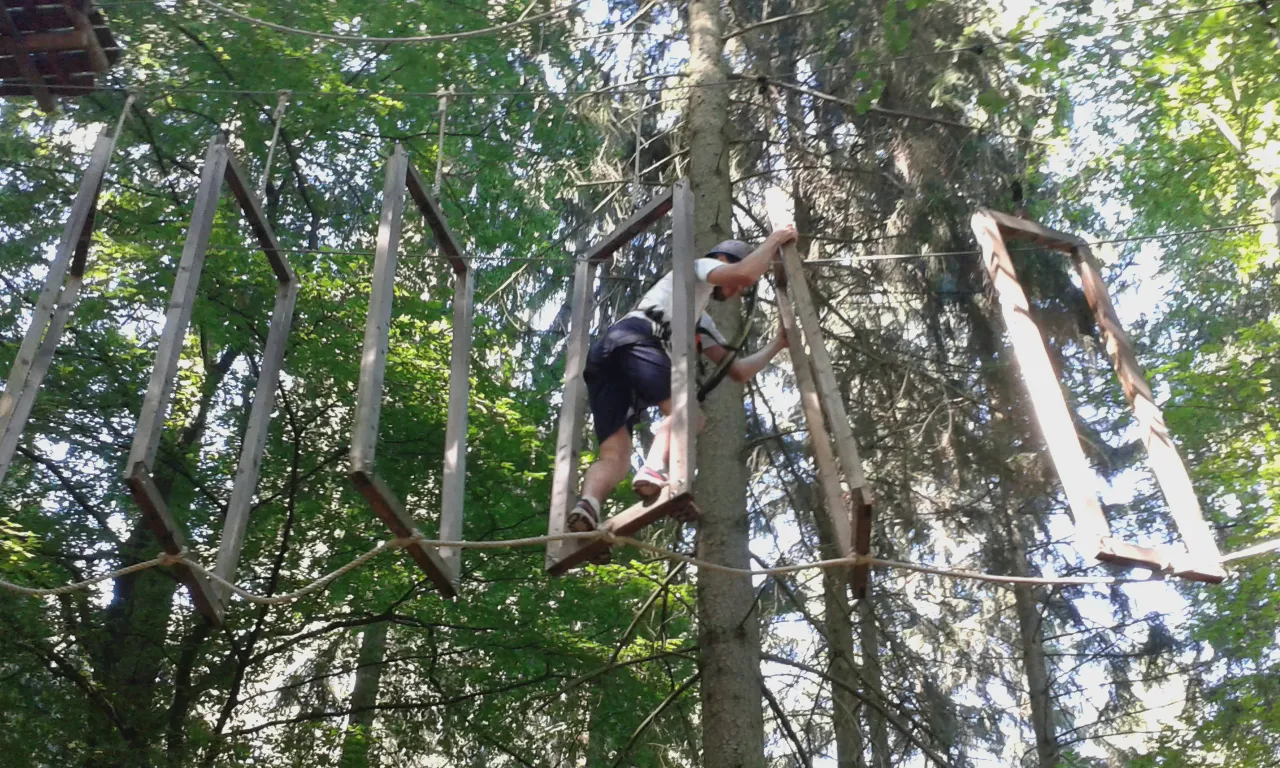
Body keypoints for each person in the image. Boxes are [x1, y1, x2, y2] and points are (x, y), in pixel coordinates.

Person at [567, 225, 800, 533]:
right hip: (637, 337)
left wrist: (777, 345)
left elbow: (737, 371)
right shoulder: (699, 267)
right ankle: (653, 469)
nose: (737, 291)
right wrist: (776, 239)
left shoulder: (699, 319)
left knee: (615, 456)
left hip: (608, 355)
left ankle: (587, 505)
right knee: (689, 413)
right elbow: (744, 274)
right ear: (722, 259)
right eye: (737, 286)